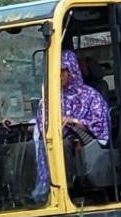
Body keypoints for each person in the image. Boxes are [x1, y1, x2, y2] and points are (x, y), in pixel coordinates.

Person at [31, 50, 111, 201]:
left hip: (83, 146)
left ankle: (70, 190)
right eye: (56, 71)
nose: (59, 76)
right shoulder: (50, 99)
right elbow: (41, 125)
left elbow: (100, 127)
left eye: (62, 71)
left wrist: (74, 122)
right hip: (53, 144)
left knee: (66, 146)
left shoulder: (90, 95)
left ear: (72, 70)